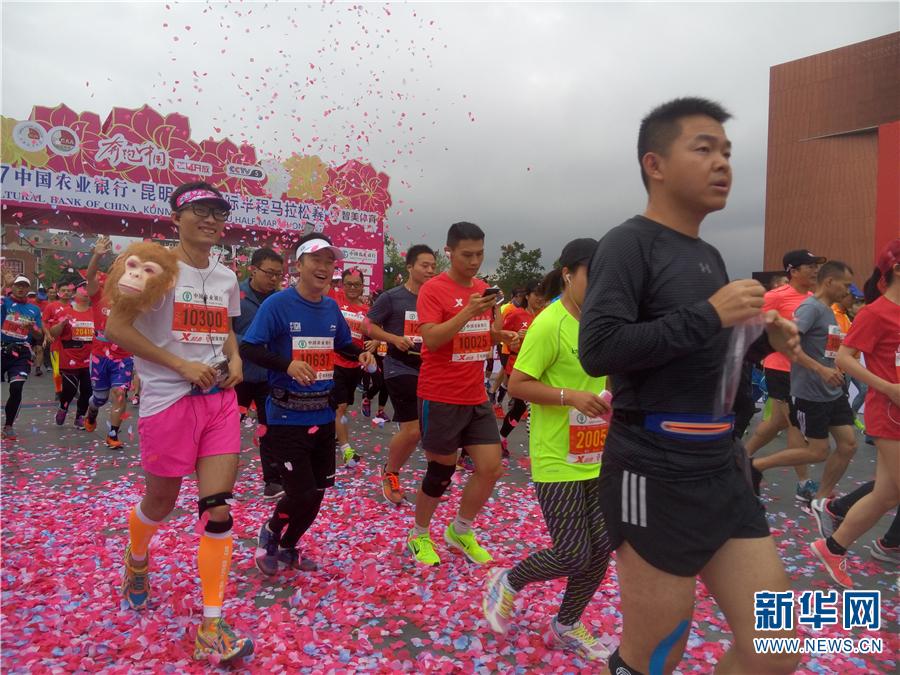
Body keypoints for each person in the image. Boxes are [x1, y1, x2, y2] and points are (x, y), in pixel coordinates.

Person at [579, 97, 801, 675]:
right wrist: (711, 314)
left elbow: (703, 348)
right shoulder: (627, 244)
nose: (723, 163)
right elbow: (599, 348)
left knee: (781, 646)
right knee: (655, 656)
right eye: (703, 148)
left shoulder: (709, 254)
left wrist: (760, 339)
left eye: (727, 151)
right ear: (654, 163)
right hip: (652, 468)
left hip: (721, 466)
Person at [105, 181, 252, 663]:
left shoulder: (228, 276)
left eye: (217, 212)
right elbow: (117, 328)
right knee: (161, 501)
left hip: (219, 403)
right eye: (199, 211)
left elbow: (226, 328)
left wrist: (235, 360)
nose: (210, 219)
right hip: (168, 402)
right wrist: (179, 365)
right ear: (176, 217)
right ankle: (137, 558)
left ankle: (212, 625)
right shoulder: (154, 267)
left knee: (218, 508)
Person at [483, 238, 613, 660]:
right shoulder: (548, 323)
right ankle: (509, 580)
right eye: (593, 276)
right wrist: (571, 397)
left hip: (595, 454)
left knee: (602, 548)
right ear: (568, 275)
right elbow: (518, 384)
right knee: (574, 553)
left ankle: (567, 624)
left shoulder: (600, 321)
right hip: (556, 457)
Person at [240, 233, 375, 575]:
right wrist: (287, 365)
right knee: (298, 492)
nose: (324, 267)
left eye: (330, 261)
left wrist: (358, 353)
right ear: (298, 265)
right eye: (316, 259)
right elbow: (250, 348)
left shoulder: (330, 307)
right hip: (286, 416)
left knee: (316, 494)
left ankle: (288, 547)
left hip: (323, 414)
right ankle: (271, 531)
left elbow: (343, 343)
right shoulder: (277, 305)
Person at [406, 221, 517, 566]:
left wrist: (501, 337)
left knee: (491, 467)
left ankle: (460, 530)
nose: (474, 261)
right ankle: (419, 534)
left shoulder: (484, 288)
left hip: (475, 395)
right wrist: (468, 310)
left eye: (480, 254)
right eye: (466, 254)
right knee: (441, 472)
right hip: (440, 395)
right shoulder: (433, 290)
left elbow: (480, 336)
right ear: (449, 252)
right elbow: (434, 339)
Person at [810, 239, 900, 586]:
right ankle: (834, 543)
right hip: (889, 412)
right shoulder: (876, 313)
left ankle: (833, 548)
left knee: (888, 493)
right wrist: (888, 387)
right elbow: (845, 358)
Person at [750, 261, 857, 502]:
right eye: (846, 285)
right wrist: (820, 370)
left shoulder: (829, 310)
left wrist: (833, 368)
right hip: (810, 391)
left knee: (848, 445)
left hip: (832, 390)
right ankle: (756, 465)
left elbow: (826, 349)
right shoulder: (810, 308)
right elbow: (789, 345)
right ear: (830, 282)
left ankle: (821, 499)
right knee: (817, 451)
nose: (848, 291)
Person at [743, 249, 825, 502]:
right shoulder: (775, 296)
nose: (815, 270)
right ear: (793, 270)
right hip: (780, 368)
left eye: (816, 266)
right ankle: (804, 484)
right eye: (809, 266)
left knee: (776, 423)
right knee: (795, 425)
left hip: (805, 369)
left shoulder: (814, 299)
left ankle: (739, 460)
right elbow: (751, 322)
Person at [365, 244, 437, 505]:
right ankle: (390, 473)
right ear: (410, 267)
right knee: (413, 429)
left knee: (426, 429)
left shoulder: (436, 298)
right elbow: (368, 325)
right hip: (399, 368)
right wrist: (394, 338)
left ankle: (435, 474)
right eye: (424, 265)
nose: (430, 270)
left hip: (430, 369)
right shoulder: (392, 297)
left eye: (433, 266)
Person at [234, 247, 285, 499]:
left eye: (279, 274)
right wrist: (251, 343)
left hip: (268, 376)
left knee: (271, 429)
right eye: (269, 272)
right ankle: (220, 482)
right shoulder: (236, 295)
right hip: (238, 375)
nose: (274, 278)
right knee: (229, 430)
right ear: (253, 269)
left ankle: (273, 481)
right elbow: (223, 331)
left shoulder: (280, 301)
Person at [83, 235, 134, 449]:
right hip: (100, 356)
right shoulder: (99, 293)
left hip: (123, 357)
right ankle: (92, 411)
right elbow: (91, 275)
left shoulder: (134, 299)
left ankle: (112, 434)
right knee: (99, 399)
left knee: (120, 394)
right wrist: (97, 255)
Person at [331, 268, 374, 466]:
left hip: (354, 365)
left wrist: (374, 344)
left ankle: (332, 435)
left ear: (362, 286)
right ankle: (346, 450)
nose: (352, 288)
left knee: (343, 407)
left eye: (357, 284)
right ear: (342, 285)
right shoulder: (334, 299)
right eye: (348, 284)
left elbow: (372, 335)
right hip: (333, 362)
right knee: (339, 407)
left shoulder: (367, 311)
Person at [498, 279, 544, 457]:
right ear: (528, 295)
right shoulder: (516, 314)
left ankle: (501, 438)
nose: (540, 298)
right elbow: (501, 337)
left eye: (543, 295)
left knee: (519, 408)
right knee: (531, 406)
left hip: (539, 367)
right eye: (537, 294)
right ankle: (537, 450)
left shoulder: (545, 314)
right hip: (517, 365)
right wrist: (515, 335)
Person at [2, 276, 44, 441]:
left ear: (28, 289)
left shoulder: (34, 309)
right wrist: (3, 285)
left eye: (24, 286)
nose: (20, 289)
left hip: (21, 353)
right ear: (12, 287)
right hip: (1, 349)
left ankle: (9, 426)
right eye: (17, 285)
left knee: (16, 388)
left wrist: (31, 328)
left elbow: (39, 334)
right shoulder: (4, 302)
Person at [48, 285, 95, 429]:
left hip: (90, 359)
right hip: (69, 358)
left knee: (87, 390)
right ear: (76, 295)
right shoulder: (66, 312)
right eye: (83, 291)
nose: (86, 293)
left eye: (88, 291)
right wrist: (62, 324)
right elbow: (54, 333)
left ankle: (80, 416)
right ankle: (63, 407)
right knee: (70, 389)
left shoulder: (94, 312)